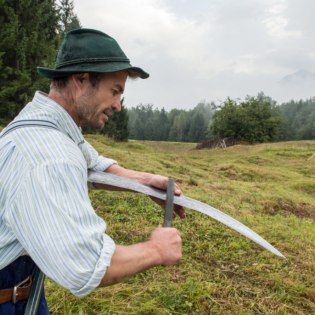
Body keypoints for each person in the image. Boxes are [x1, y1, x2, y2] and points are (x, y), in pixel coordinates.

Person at [0, 28, 184, 314]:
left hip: (23, 288)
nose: (118, 106)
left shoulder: (46, 125)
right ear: (81, 80)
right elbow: (88, 265)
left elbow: (93, 162)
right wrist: (157, 250)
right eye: (115, 91)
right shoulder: (49, 155)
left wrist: (145, 183)